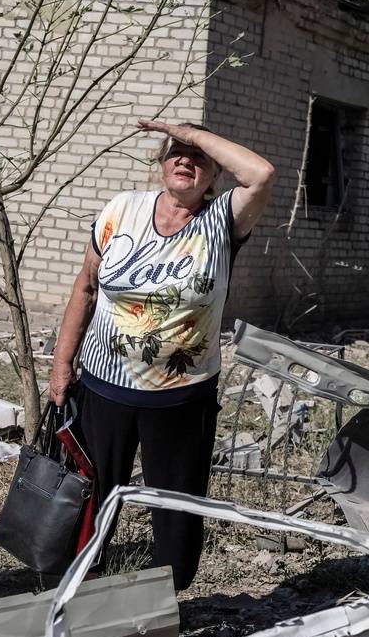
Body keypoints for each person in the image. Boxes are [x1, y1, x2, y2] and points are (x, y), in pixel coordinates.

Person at [48, 119, 275, 590]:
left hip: (181, 400)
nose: (185, 161)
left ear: (214, 173)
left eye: (198, 157)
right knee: (87, 498)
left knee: (176, 512)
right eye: (175, 152)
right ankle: (73, 593)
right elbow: (86, 287)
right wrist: (61, 364)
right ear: (159, 162)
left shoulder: (224, 220)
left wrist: (186, 131)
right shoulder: (122, 209)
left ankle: (165, 605)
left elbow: (261, 174)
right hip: (103, 388)